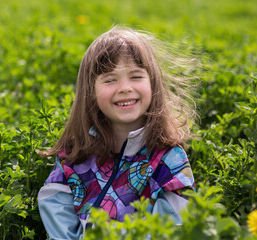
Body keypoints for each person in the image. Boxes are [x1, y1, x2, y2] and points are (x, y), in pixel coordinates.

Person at [37, 26, 197, 240]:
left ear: (153, 83)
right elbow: (59, 226)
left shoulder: (169, 161)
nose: (124, 88)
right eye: (110, 79)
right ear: (90, 92)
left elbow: (173, 231)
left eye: (136, 76)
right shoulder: (74, 157)